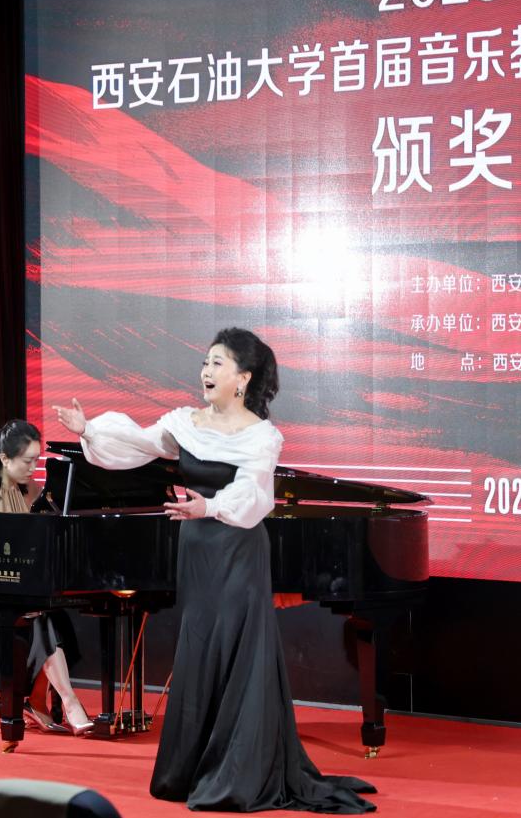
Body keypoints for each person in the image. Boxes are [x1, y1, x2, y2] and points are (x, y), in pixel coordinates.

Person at [55, 328, 375, 813]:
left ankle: (237, 772)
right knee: (201, 645)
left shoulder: (261, 436)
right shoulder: (186, 422)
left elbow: (253, 495)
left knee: (237, 648)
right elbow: (140, 444)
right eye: (205, 362)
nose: (206, 371)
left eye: (217, 364)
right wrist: (90, 431)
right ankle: (194, 767)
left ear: (243, 378)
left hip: (237, 550)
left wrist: (209, 507)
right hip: (198, 552)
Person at [0, 420, 93, 741]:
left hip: (19, 588)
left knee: (50, 615)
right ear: (5, 459)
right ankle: (69, 702)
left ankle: (36, 702)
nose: (34, 468)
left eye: (37, 460)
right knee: (39, 617)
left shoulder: (30, 491)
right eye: (28, 461)